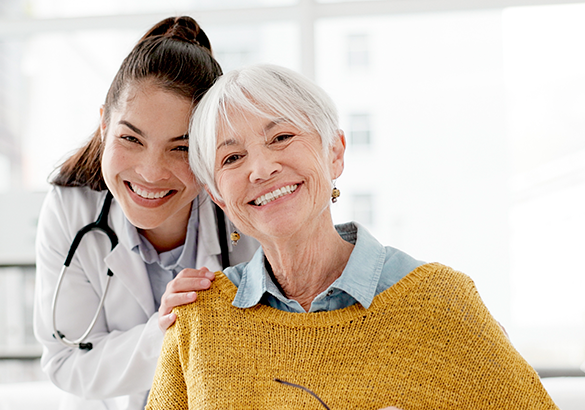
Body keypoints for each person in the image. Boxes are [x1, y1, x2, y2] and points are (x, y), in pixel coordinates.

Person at [145, 64, 558, 409]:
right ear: (218, 195)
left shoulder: (440, 301)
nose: (261, 168)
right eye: (232, 157)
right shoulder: (198, 320)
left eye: (282, 137)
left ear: (335, 152)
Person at [33, 17, 258, 410]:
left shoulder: (244, 210)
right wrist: (168, 330)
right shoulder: (71, 209)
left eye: (182, 148)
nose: (151, 172)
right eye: (131, 138)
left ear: (209, 147)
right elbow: (66, 361)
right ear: (104, 124)